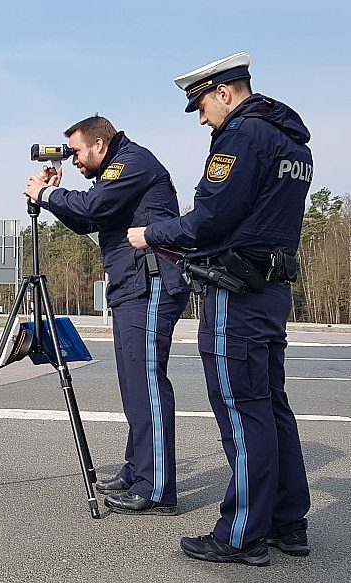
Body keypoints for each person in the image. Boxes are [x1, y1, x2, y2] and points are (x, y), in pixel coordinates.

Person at [127, 52, 312, 567]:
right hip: (272, 288)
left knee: (242, 410)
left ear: (225, 92)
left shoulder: (242, 136)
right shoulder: (292, 141)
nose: (204, 118)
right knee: (272, 406)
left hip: (239, 289)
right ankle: (287, 521)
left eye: (204, 106)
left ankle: (240, 534)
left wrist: (150, 235)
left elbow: (210, 218)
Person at [24, 116, 190, 515]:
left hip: (149, 286)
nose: (75, 160)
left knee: (146, 384)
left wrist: (48, 195)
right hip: (132, 287)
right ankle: (138, 471)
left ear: (100, 144)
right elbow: (87, 220)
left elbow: (94, 205)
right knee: (135, 385)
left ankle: (157, 488)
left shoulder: (131, 163)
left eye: (77, 151)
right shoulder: (114, 172)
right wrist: (52, 195)